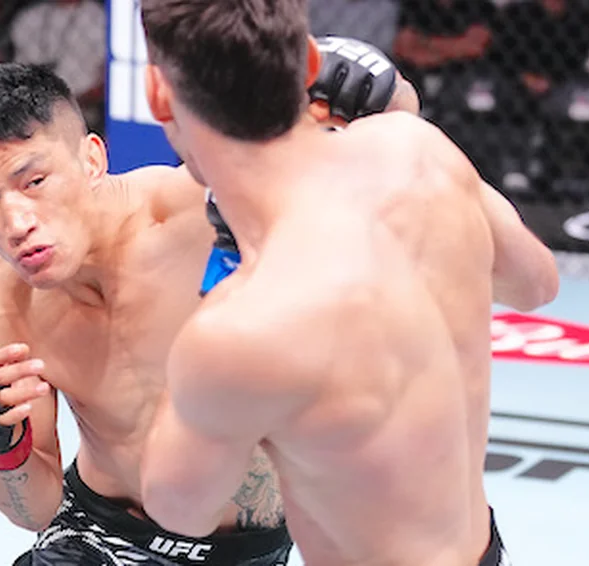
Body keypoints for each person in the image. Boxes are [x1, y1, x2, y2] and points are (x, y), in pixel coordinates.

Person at [0, 37, 408, 565]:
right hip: (97, 535)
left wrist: (378, 87)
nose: (15, 223)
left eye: (35, 181)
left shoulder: (198, 215)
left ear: (92, 159)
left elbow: (392, 154)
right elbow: (35, 510)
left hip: (249, 548)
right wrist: (1, 450)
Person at [138, 2, 559, 566]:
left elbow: (179, 509)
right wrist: (398, 111)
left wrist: (224, 273)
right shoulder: (421, 152)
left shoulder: (240, 325)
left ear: (158, 94)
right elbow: (535, 284)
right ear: (311, 60)